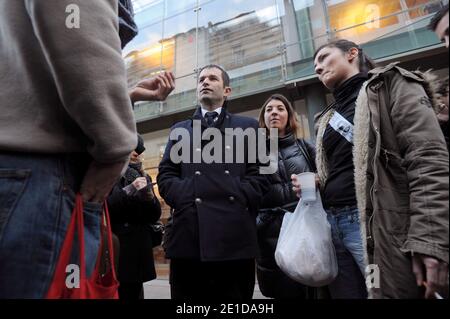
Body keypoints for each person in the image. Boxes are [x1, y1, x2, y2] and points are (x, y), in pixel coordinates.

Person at [294, 39, 448, 299]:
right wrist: (319, 181)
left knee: (378, 290)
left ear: (352, 53)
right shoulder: (327, 117)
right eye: (315, 66)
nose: (318, 68)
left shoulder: (391, 86)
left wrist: (429, 237)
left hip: (373, 227)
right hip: (334, 226)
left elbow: (427, 160)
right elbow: (345, 167)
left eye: (323, 58)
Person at [157, 64, 269, 300]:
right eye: (201, 80)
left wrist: (237, 194)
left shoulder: (248, 126)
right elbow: (166, 175)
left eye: (212, 78)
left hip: (234, 239)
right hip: (189, 238)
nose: (205, 82)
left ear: (227, 90)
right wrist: (188, 196)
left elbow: (264, 174)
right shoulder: (180, 130)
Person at [256, 94, 318, 299]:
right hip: (269, 234)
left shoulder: (305, 147)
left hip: (305, 228)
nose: (274, 112)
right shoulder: (253, 153)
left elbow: (326, 175)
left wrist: (316, 179)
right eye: (269, 109)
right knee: (280, 290)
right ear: (263, 118)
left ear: (289, 116)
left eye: (280, 108)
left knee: (312, 287)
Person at [107, 135, 162, 300]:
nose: (136, 153)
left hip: (137, 251)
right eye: (132, 148)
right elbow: (107, 207)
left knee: (135, 292)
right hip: (116, 248)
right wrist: (129, 191)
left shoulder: (143, 176)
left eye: (138, 150)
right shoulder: (108, 173)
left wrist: (150, 199)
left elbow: (155, 215)